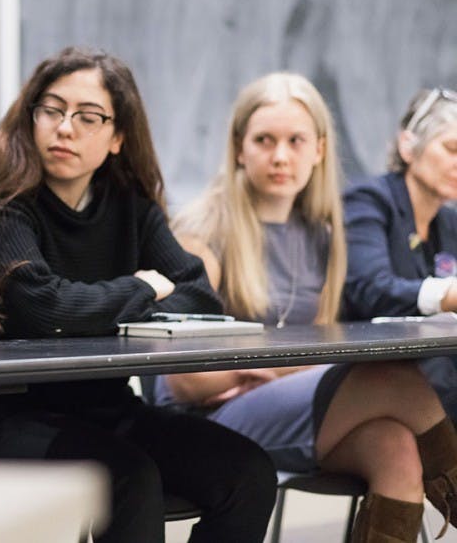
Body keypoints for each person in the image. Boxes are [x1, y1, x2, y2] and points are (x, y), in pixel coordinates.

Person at [0, 46, 277, 543]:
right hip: (2, 415)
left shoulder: (132, 208)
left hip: (106, 409)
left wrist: (101, 308)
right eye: (51, 110)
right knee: (130, 480)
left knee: (249, 473)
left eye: (88, 117)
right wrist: (143, 286)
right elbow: (47, 308)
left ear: (117, 137)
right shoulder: (2, 207)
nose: (65, 128)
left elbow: (200, 295)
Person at [157, 72, 457, 542]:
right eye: (264, 140)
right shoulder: (202, 231)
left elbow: (322, 352)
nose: (281, 156)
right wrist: (289, 367)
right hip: (201, 422)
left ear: (318, 150)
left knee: (397, 451)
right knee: (391, 377)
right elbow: (187, 379)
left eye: (295, 141)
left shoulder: (323, 237)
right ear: (239, 148)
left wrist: (265, 369)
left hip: (279, 406)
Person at [343, 87, 457, 419]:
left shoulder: (448, 220)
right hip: (376, 372)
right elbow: (371, 289)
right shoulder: (368, 201)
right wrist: (447, 295)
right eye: (451, 148)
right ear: (408, 146)